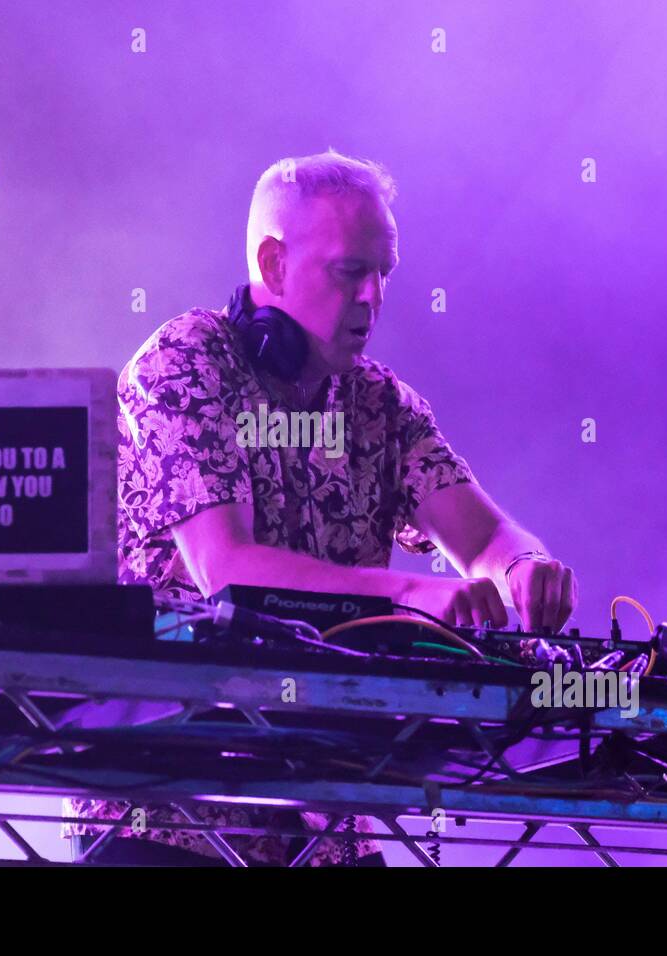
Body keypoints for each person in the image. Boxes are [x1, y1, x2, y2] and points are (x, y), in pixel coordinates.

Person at [76, 148, 579, 866]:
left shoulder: (381, 404)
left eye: (385, 275)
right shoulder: (185, 364)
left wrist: (525, 565)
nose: (373, 297)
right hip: (168, 807)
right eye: (351, 272)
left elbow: (483, 534)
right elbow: (227, 569)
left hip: (327, 816)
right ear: (274, 265)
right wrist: (414, 595)